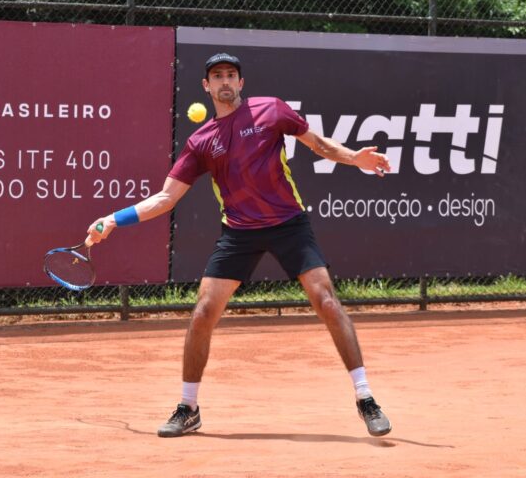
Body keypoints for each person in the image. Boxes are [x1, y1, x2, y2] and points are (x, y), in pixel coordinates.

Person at [86, 52, 392, 438]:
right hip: (239, 232)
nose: (225, 81)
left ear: (241, 83)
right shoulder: (201, 142)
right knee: (203, 310)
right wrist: (113, 219)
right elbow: (165, 199)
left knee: (326, 300)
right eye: (217, 76)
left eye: (231, 74)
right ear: (206, 86)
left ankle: (365, 398)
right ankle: (188, 406)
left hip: (288, 224)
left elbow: (319, 145)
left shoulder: (272, 111)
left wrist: (354, 159)